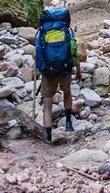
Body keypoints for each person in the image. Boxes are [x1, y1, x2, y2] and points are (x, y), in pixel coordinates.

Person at [35, 7, 82, 141]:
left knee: (47, 106)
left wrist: (40, 68)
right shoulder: (66, 31)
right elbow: (73, 50)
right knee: (67, 93)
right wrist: (78, 69)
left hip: (48, 72)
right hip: (64, 69)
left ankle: (48, 136)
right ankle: (68, 123)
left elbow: (37, 52)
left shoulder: (42, 33)